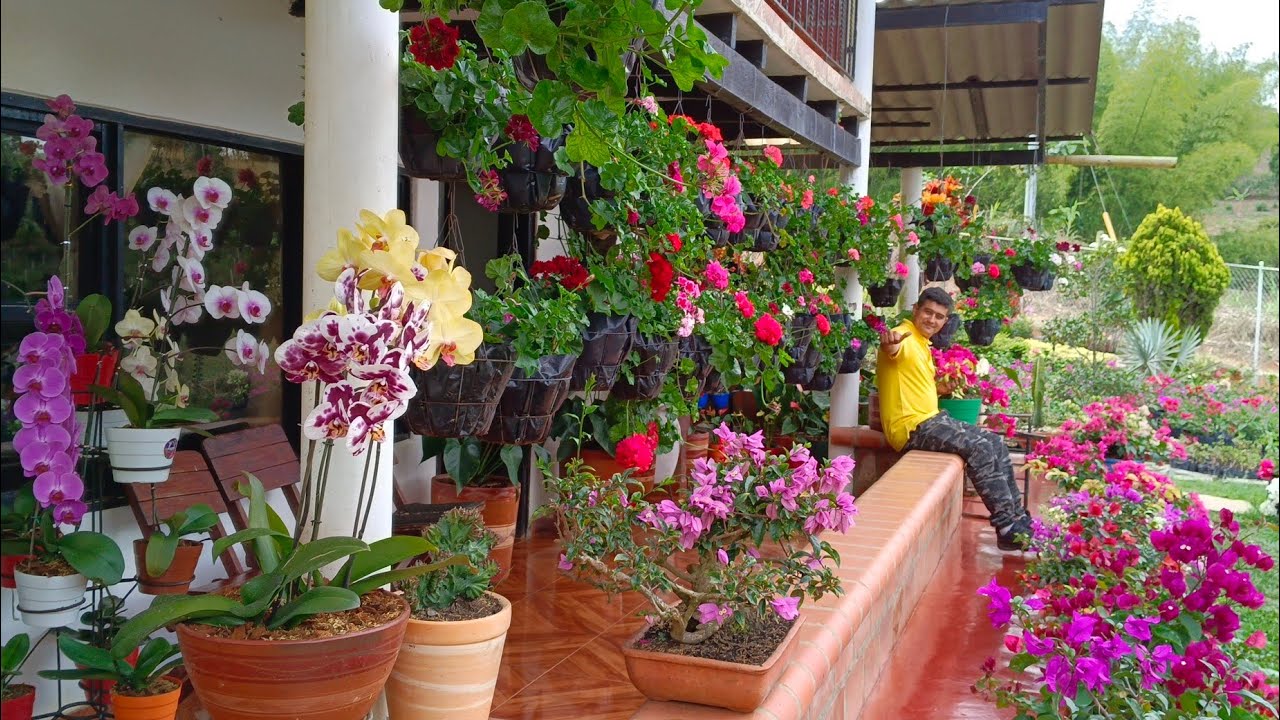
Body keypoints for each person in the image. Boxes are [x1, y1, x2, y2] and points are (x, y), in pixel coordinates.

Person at [875, 286, 1033, 550]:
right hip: (911, 428)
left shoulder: (921, 343)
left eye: (939, 316)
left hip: (931, 419)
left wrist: (941, 389)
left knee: (994, 441)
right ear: (915, 310)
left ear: (945, 320)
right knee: (980, 448)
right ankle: (1006, 526)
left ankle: (1017, 518)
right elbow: (892, 349)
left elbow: (910, 383)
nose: (932, 320)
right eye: (927, 312)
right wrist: (889, 344)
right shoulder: (903, 337)